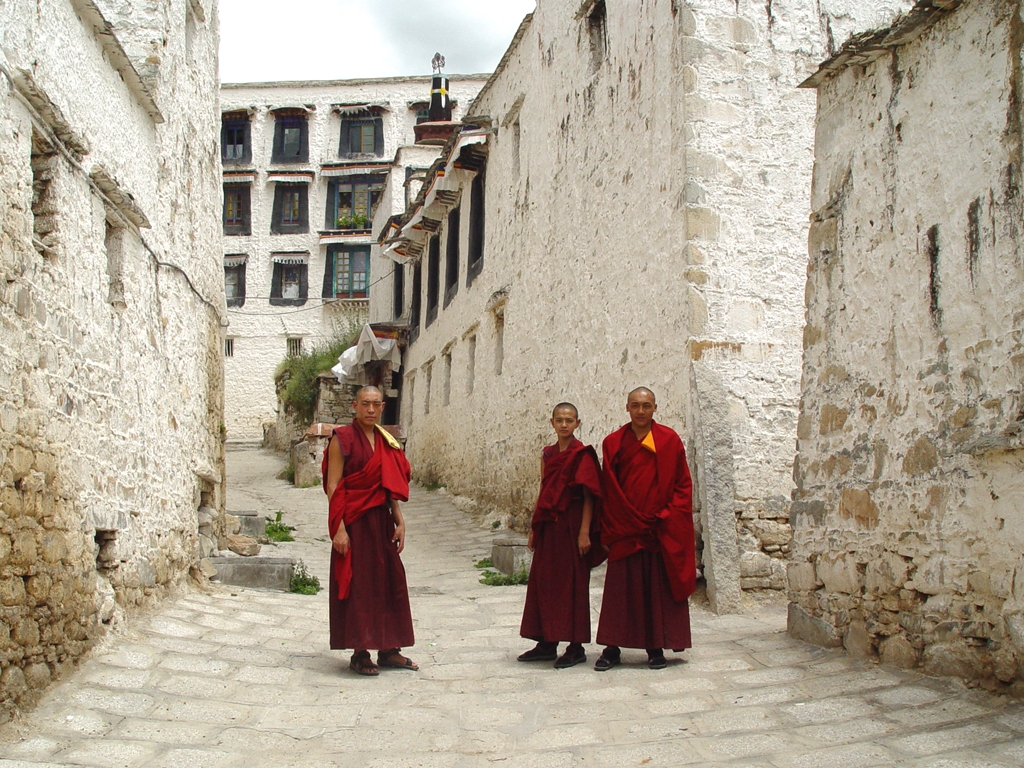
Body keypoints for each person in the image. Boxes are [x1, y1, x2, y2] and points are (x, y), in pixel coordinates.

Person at [593, 387, 696, 671]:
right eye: (635, 405)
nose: (641, 411)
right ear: (627, 407)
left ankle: (655, 647)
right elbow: (609, 488)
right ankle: (611, 648)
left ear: (655, 408)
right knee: (620, 591)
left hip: (658, 526)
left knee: (655, 588)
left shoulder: (668, 440)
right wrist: (622, 520)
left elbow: (682, 484)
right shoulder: (613, 443)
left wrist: (666, 515)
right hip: (626, 527)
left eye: (646, 405)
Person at [322, 385, 418, 676]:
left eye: (376, 404)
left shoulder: (387, 440)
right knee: (359, 584)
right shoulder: (342, 439)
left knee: (390, 581)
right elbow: (333, 485)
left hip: (381, 521)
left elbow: (388, 484)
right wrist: (339, 529)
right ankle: (360, 652)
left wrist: (399, 519)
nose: (371, 409)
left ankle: (389, 649)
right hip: (353, 522)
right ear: (355, 405)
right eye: (365, 403)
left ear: (383, 406)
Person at [518, 403, 603, 669]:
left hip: (573, 525)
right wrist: (534, 527)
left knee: (573, 584)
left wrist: (584, 532)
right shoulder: (548, 454)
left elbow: (589, 497)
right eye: (559, 420)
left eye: (569, 420)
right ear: (552, 423)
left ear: (577, 423)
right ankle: (546, 642)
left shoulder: (582, 454)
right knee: (544, 581)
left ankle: (576, 647)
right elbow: (545, 489)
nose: (564, 425)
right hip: (550, 526)